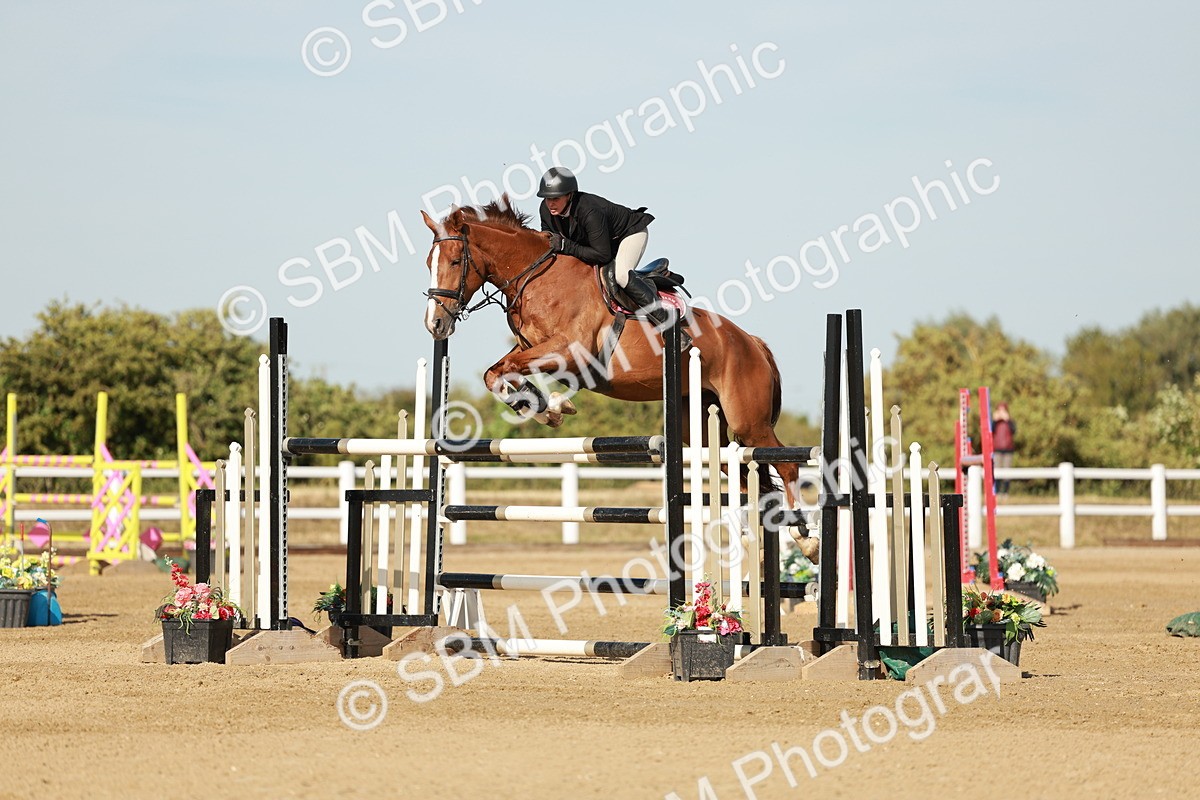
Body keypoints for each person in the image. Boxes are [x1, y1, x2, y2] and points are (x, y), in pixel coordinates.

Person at [536, 166, 690, 350]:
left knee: (621, 275)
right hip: (598, 243)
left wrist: (566, 246)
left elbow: (602, 254)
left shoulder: (589, 211)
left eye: (556, 198)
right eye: (547, 198)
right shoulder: (546, 211)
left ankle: (671, 328)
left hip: (629, 234)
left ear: (569, 195)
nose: (550, 203)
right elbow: (553, 245)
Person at [991, 402, 1016, 497]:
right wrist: (994, 420)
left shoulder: (1010, 422)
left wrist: (1008, 420)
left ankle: (1005, 492)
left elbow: (1014, 430)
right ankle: (996, 491)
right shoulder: (995, 423)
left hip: (1008, 449)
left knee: (1007, 472)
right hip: (997, 449)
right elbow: (990, 431)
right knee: (996, 471)